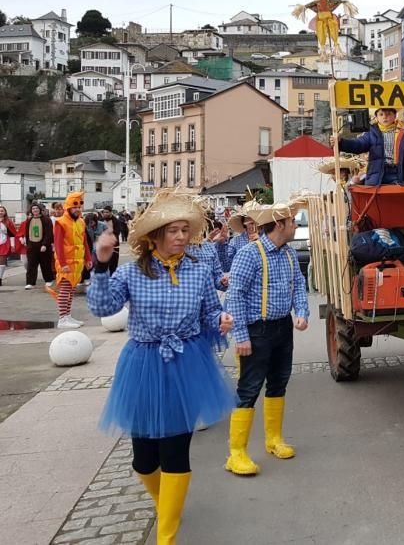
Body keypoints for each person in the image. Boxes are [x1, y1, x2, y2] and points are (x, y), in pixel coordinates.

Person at [87, 191, 236, 544]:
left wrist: (222, 319)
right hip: (144, 366)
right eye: (174, 230)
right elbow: (102, 308)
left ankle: (165, 536)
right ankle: (167, 503)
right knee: (144, 460)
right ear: (155, 236)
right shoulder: (131, 273)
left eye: (185, 230)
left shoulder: (199, 271)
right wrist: (101, 264)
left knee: (175, 452)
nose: (182, 237)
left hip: (187, 364)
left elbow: (208, 314)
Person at [224, 201, 310, 476]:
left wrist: (302, 312)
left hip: (282, 328)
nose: (296, 225)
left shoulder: (288, 255)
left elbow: (298, 285)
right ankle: (236, 453)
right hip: (256, 330)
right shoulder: (249, 254)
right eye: (292, 222)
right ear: (280, 225)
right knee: (249, 389)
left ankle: (274, 440)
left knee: (278, 383)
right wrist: (241, 336)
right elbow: (234, 295)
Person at [332, 106, 404, 185]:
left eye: (388, 114)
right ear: (376, 117)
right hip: (377, 175)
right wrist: (341, 142)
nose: (385, 117)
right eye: (381, 114)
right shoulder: (371, 133)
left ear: (395, 115)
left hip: (398, 175)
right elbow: (358, 144)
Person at [50, 191, 92, 328]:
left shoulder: (81, 222)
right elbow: (58, 245)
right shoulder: (60, 223)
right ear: (68, 207)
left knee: (71, 290)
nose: (78, 209)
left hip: (77, 262)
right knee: (65, 290)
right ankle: (62, 318)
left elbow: (84, 241)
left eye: (79, 207)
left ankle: (67, 316)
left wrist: (88, 258)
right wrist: (62, 263)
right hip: (66, 262)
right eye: (75, 207)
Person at [20, 203, 54, 289]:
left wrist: (45, 244)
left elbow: (49, 233)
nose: (35, 210)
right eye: (33, 209)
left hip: (43, 245)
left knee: (45, 264)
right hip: (32, 245)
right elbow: (27, 233)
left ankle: (48, 280)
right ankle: (30, 283)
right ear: (31, 211)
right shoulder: (29, 220)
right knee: (31, 265)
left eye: (36, 208)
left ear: (40, 210)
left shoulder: (46, 220)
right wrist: (27, 244)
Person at [0, 204, 19, 287]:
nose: (0, 212)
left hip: (4, 243)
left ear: (5, 212)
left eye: (2, 211)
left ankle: (0, 278)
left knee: (2, 261)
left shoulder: (8, 221)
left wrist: (12, 245)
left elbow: (12, 234)